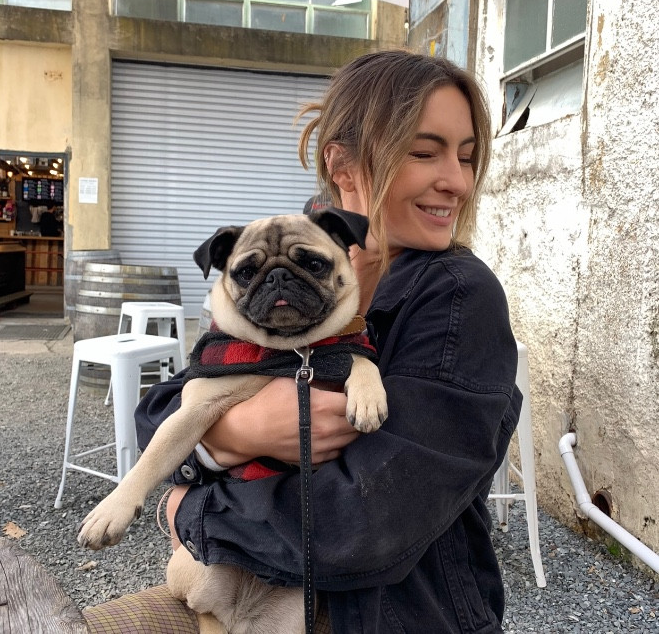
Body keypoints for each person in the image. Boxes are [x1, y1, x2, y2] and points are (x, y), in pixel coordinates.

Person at [135, 50, 522, 633]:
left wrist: (189, 508)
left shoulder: (456, 297)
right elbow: (162, 408)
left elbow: (364, 526)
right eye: (424, 152)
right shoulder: (297, 255)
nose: (458, 181)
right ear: (343, 166)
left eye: (466, 157)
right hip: (254, 599)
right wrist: (239, 430)